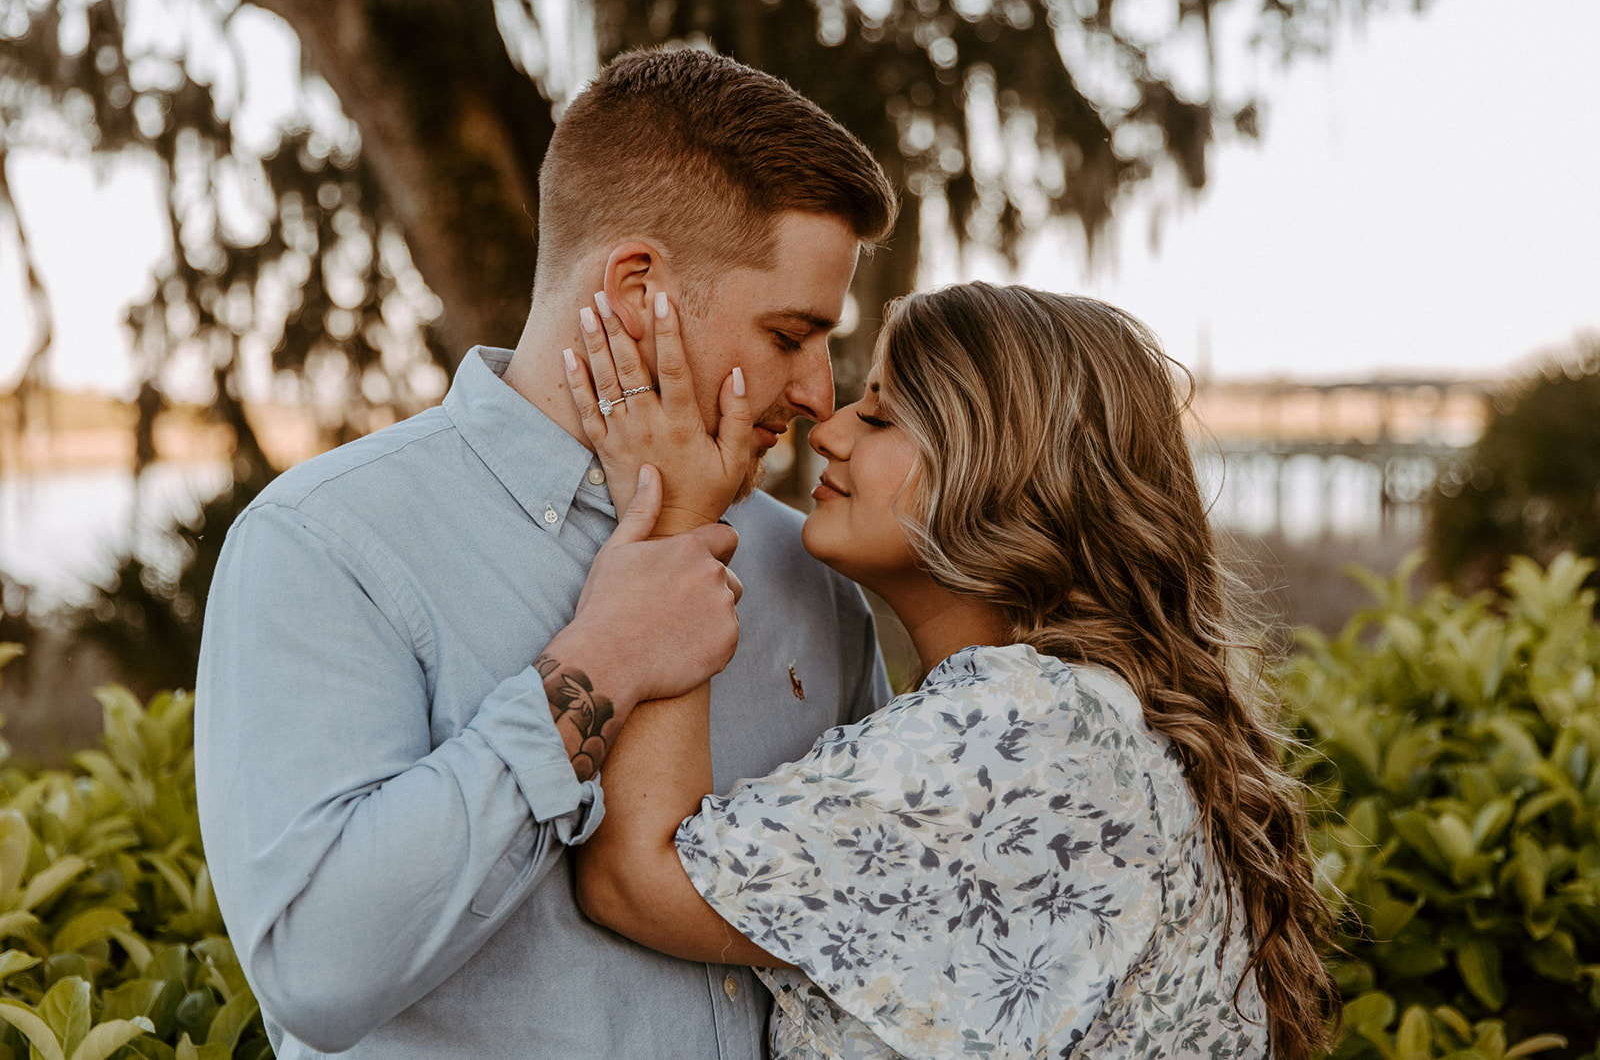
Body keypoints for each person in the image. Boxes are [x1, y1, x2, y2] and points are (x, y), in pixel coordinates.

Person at [193, 48, 898, 1058]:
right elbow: (316, 967)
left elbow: (872, 924)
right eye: (789, 333)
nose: (819, 394)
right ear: (638, 288)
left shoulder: (809, 575)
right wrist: (603, 659)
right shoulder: (324, 541)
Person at [557, 282, 1341, 1059]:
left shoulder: (1024, 730)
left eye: (880, 414)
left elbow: (634, 879)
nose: (828, 431)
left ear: (1005, 467)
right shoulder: (1078, 717)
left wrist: (675, 517)